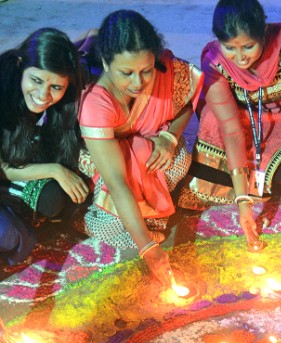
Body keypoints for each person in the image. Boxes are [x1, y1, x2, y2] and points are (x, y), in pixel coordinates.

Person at [178, 0, 281, 246]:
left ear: (263, 33)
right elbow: (231, 130)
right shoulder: (214, 61)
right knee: (211, 121)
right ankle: (241, 187)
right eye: (230, 48)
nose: (240, 58)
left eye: (248, 46)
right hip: (243, 115)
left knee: (278, 174)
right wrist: (243, 203)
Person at [77, 10, 203, 285]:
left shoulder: (164, 70)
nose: (138, 82)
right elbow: (118, 181)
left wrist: (169, 138)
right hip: (108, 160)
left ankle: (149, 213)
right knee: (107, 228)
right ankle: (94, 213)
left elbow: (185, 106)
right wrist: (147, 247)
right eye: (127, 73)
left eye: (146, 71)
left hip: (149, 144)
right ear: (107, 63)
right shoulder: (96, 103)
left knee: (177, 158)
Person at [0, 28, 87, 266]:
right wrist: (55, 170)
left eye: (56, 88)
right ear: (20, 64)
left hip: (16, 161)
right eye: (36, 81)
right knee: (8, 235)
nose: (42, 95)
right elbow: (3, 169)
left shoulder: (73, 92)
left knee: (66, 196)